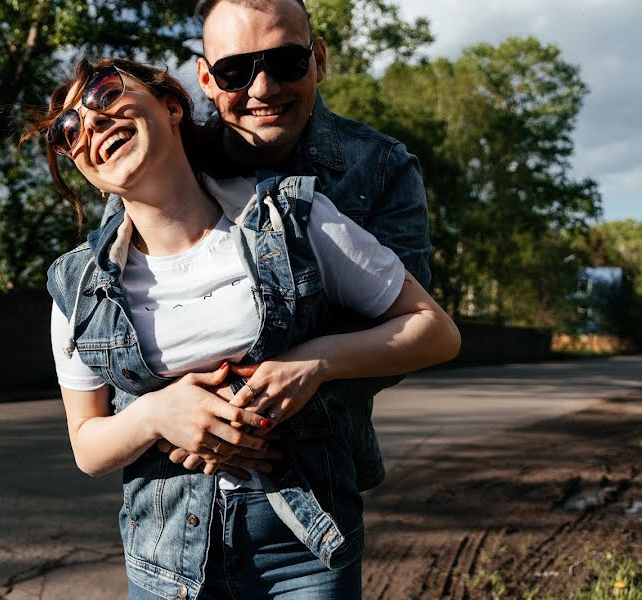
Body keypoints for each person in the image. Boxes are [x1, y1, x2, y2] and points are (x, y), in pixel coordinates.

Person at [31, 56, 460, 599]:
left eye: (104, 93)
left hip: (304, 548)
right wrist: (158, 413)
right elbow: (87, 447)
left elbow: (434, 331)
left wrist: (313, 363)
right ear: (85, 172)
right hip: (166, 560)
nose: (90, 124)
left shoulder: (292, 218)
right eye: (70, 132)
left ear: (171, 106)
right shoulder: (76, 286)